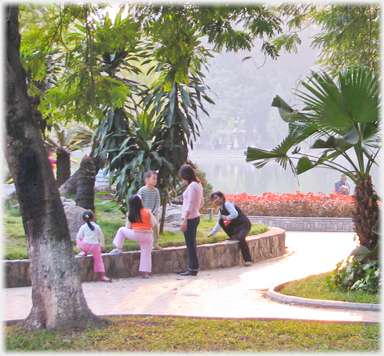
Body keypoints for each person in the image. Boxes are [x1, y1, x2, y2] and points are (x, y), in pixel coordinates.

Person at [110, 195, 156, 278]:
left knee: (121, 230)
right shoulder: (148, 211)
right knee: (146, 253)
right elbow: (154, 223)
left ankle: (119, 248)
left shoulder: (131, 214)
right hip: (148, 235)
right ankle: (146, 274)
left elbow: (127, 227)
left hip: (137, 234)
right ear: (140, 202)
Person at [207, 191, 253, 267]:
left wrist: (227, 218)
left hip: (244, 225)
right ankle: (234, 235)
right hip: (236, 227)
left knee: (241, 238)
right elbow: (219, 224)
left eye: (216, 198)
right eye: (213, 199)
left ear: (222, 197)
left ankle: (248, 260)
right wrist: (211, 234)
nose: (215, 201)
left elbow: (235, 214)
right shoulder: (221, 210)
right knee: (221, 220)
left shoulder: (227, 204)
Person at [176, 164, 204, 276]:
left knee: (190, 244)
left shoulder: (192, 186)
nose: (183, 180)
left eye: (183, 178)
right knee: (192, 243)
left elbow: (190, 203)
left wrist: (185, 220)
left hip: (190, 218)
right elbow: (201, 202)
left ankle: (193, 268)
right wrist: (196, 210)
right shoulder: (198, 185)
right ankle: (192, 267)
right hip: (195, 216)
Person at [76, 210, 111, 282]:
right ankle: (103, 276)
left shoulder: (83, 227)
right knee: (99, 260)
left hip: (85, 245)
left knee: (78, 238)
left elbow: (79, 236)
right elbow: (101, 237)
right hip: (95, 246)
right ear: (93, 218)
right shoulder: (97, 226)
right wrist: (101, 245)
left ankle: (84, 252)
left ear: (84, 220)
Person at [138, 170, 163, 251]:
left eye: (156, 179)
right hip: (144, 214)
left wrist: (154, 212)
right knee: (144, 230)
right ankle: (144, 245)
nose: (155, 180)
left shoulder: (156, 191)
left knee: (155, 228)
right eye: (153, 178)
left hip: (153, 214)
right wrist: (144, 212)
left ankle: (155, 244)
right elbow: (139, 202)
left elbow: (158, 202)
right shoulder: (142, 190)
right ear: (147, 179)